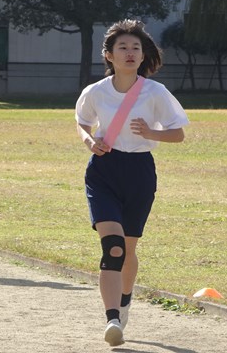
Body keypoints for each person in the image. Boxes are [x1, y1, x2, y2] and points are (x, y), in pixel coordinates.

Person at [75, 19, 189, 346]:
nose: (129, 52)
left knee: (127, 248)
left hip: (140, 171)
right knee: (112, 247)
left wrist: (151, 133)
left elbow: (178, 133)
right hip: (104, 170)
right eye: (122, 47)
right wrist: (88, 141)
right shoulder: (95, 92)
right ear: (109, 55)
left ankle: (125, 299)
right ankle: (112, 319)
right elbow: (82, 121)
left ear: (142, 56)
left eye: (135, 48)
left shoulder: (156, 92)